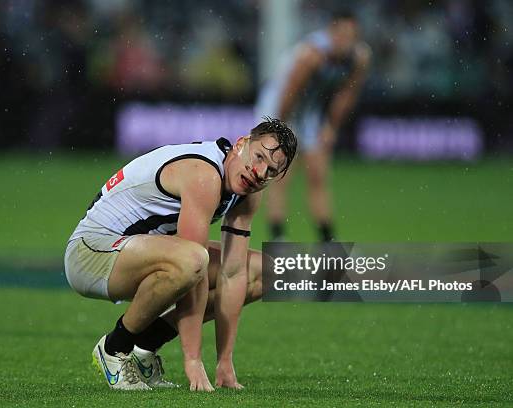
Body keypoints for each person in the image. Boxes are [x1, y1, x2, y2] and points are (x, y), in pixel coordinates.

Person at [64, 118, 297, 391]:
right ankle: (115, 348)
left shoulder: (247, 188)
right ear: (241, 144)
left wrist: (224, 362)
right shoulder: (204, 174)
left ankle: (144, 348)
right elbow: (193, 270)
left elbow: (233, 273)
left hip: (142, 251)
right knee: (193, 260)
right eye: (258, 156)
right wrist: (193, 359)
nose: (259, 171)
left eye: (270, 170)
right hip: (90, 253)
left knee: (267, 271)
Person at [256, 11, 371, 242]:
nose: (345, 42)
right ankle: (279, 237)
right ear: (331, 33)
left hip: (311, 109)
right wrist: (280, 130)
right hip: (280, 105)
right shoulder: (312, 56)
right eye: (340, 35)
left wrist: (330, 126)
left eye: (350, 37)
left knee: (318, 173)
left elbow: (346, 94)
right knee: (280, 173)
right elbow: (289, 91)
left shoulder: (360, 57)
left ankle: (327, 239)